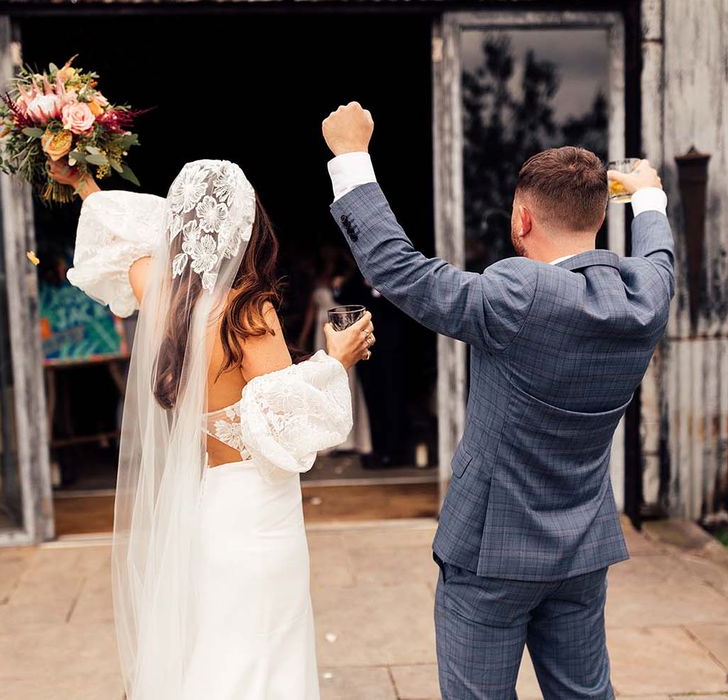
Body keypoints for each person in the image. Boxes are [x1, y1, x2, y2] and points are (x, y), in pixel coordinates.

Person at [321, 102, 673, 699]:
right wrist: (648, 196)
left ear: (522, 220)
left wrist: (351, 157)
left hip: (490, 552)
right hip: (584, 544)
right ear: (599, 216)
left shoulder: (519, 290)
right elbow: (659, 254)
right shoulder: (646, 295)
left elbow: (403, 274)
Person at [47, 158, 375, 699]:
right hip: (260, 516)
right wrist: (335, 360)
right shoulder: (249, 311)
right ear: (247, 226)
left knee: (222, 652)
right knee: (266, 656)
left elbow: (114, 233)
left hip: (211, 506)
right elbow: (279, 421)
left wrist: (84, 182)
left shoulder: (163, 296)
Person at [298, 246, 372, 455]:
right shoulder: (317, 281)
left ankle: (350, 439)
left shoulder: (344, 279)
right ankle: (327, 439)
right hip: (320, 332)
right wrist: (303, 336)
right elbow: (311, 312)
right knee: (323, 378)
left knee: (345, 377)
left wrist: (345, 260)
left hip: (339, 329)